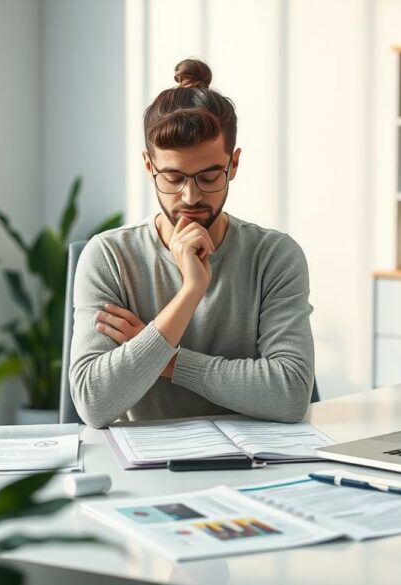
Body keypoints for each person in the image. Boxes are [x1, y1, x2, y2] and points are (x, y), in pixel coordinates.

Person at [69, 58, 315, 429]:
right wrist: (190, 293)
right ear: (149, 166)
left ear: (233, 164)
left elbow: (291, 393)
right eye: (172, 177)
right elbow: (94, 402)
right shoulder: (109, 257)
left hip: (255, 467)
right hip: (144, 472)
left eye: (208, 175)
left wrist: (167, 359)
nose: (190, 196)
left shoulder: (274, 256)